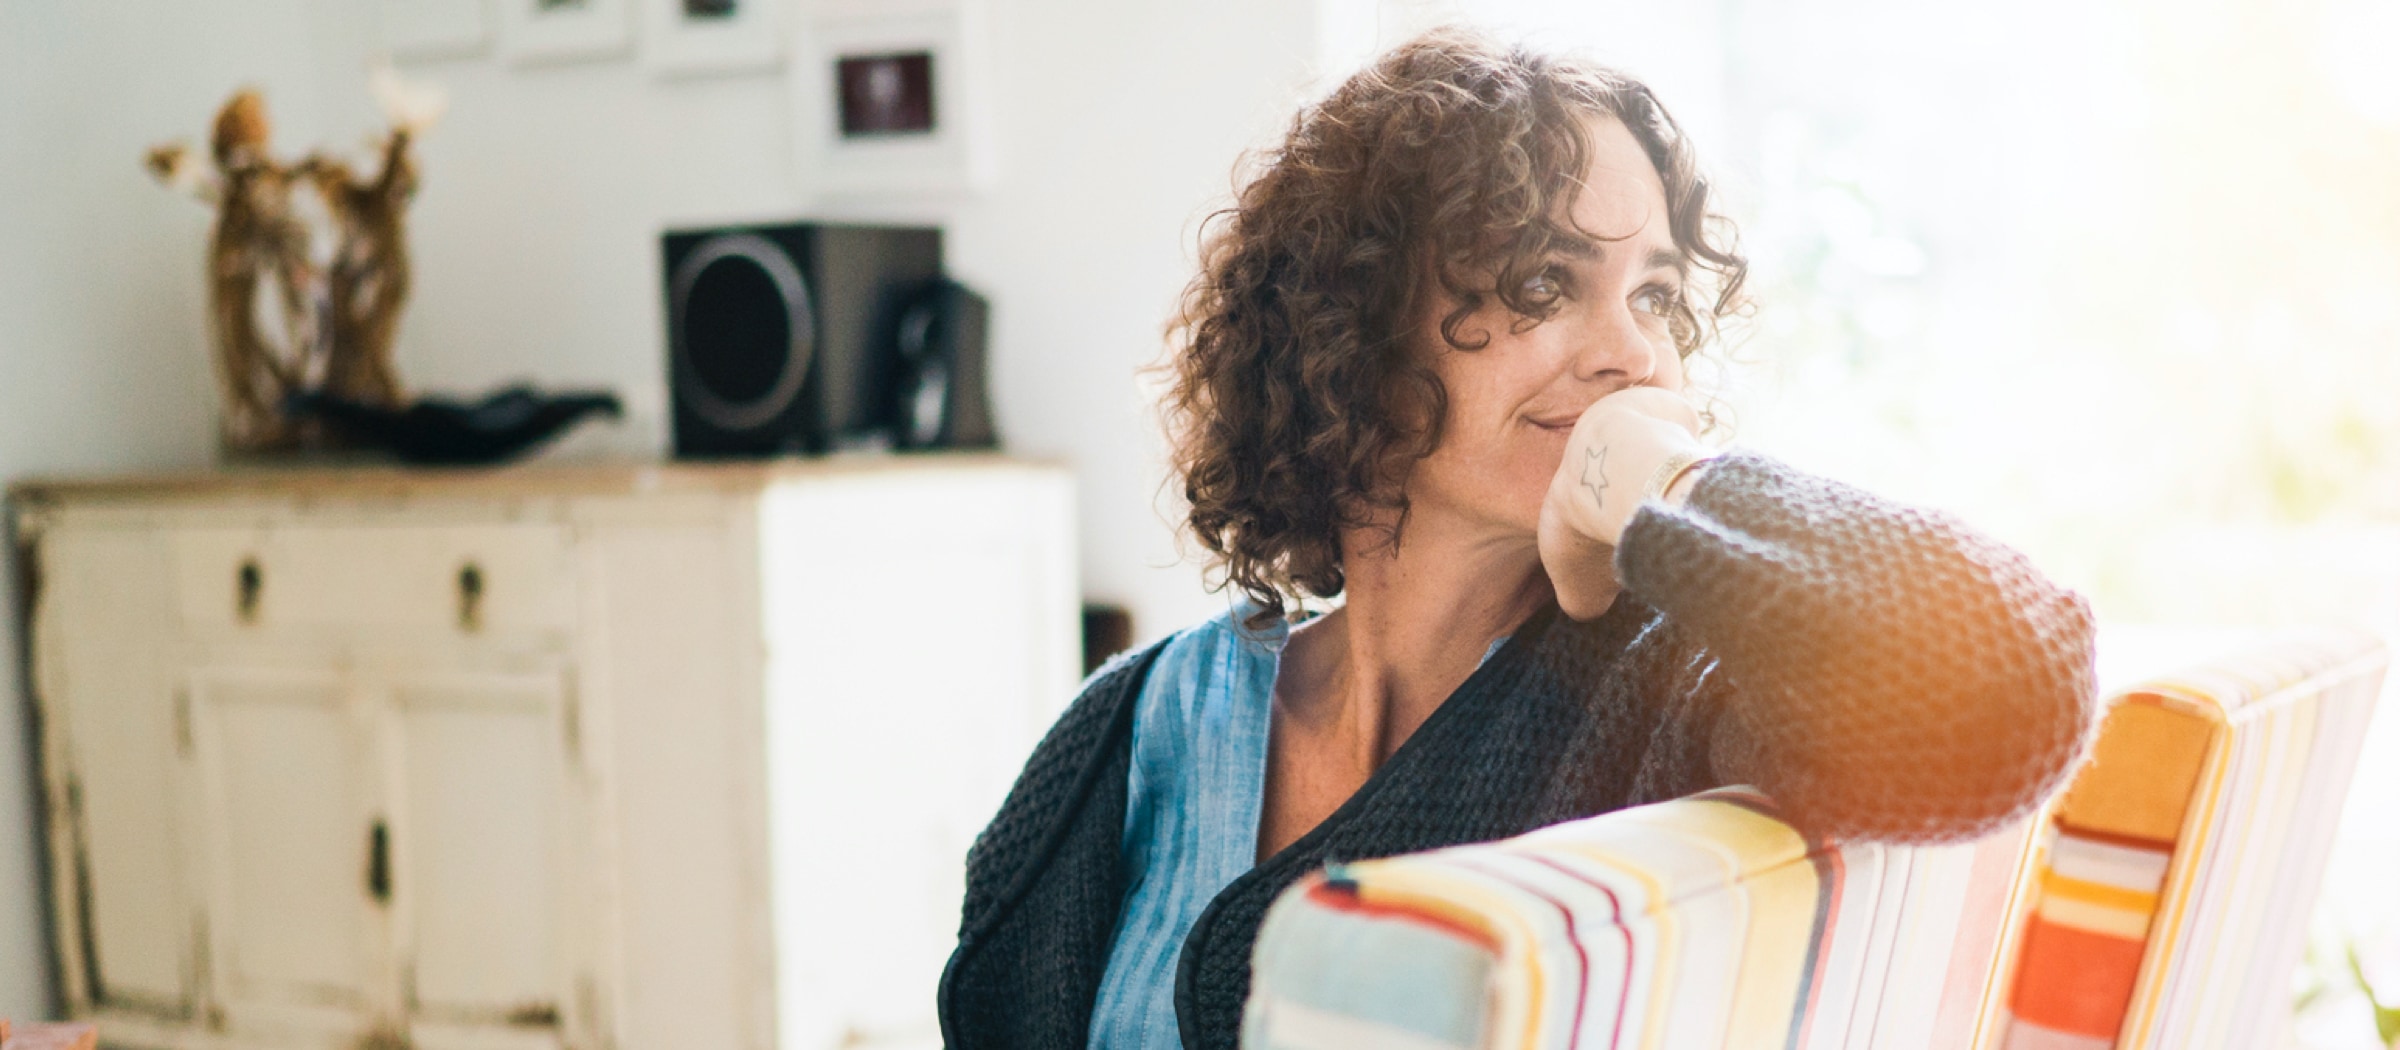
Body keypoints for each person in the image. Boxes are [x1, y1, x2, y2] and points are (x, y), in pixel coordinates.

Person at [938, 26, 2098, 1050]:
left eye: (1652, 295)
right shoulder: (1134, 730)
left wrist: (1674, 487)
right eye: (1546, 282)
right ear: (1352, 330)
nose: (1632, 355)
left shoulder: (1674, 698)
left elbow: (2012, 691)